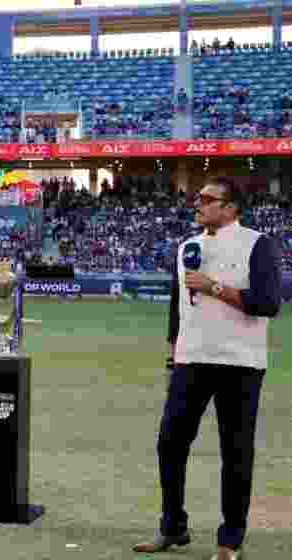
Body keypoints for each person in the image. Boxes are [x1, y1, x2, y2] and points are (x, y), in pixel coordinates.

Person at [133, 179, 280, 560]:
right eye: (197, 198)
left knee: (235, 452)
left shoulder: (257, 244)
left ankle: (230, 541)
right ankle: (173, 527)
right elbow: (175, 307)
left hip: (240, 364)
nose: (197, 204)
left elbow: (267, 303)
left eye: (207, 199)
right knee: (170, 443)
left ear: (231, 208)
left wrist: (214, 287)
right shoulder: (187, 246)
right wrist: (172, 356)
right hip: (191, 361)